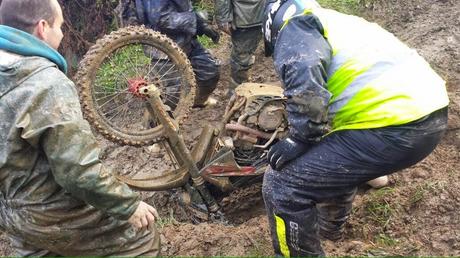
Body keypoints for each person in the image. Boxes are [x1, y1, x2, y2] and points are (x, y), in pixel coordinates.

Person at [261, 0, 449, 256]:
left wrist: (299, 138)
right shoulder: (338, 24)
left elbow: (304, 69)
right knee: (332, 151)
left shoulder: (297, 27)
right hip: (428, 111)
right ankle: (330, 230)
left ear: (274, 27)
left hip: (398, 123)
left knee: (281, 183)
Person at [0, 0, 160, 255]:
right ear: (42, 28)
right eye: (60, 26)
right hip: (56, 214)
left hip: (12, 215)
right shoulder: (44, 83)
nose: (62, 34)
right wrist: (128, 205)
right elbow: (77, 169)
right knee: (141, 237)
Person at [121, 0, 221, 108]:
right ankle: (163, 120)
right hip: (162, 48)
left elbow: (181, 8)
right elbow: (162, 20)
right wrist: (195, 18)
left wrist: (201, 25)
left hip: (186, 40)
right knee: (172, 93)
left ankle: (197, 101)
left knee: (209, 70)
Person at [215, 0, 267, 95]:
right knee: (242, 58)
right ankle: (238, 91)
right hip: (246, 16)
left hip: (268, 13)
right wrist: (223, 18)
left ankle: (240, 89)